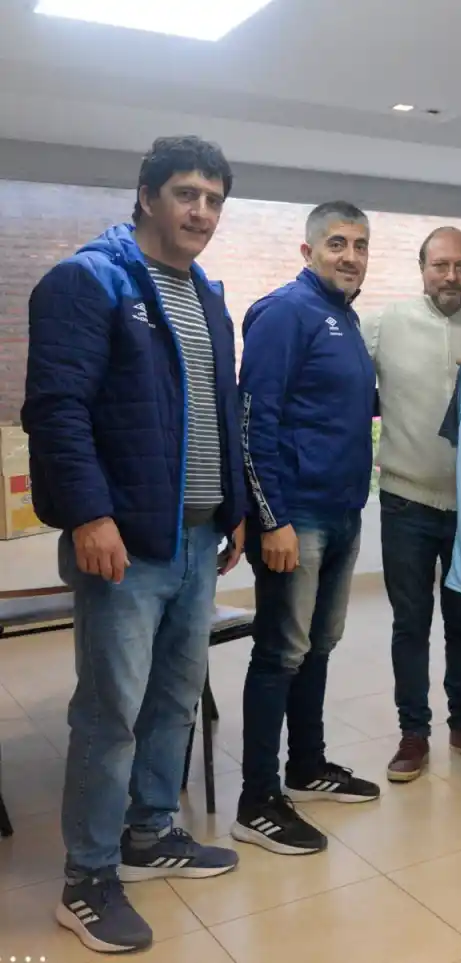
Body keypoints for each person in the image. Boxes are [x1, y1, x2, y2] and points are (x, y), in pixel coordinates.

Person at [22, 136, 247, 953]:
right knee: (110, 711)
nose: (202, 213)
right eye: (187, 194)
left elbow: (222, 410)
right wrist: (89, 515)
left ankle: (151, 830)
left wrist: (236, 508)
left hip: (196, 533)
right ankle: (86, 877)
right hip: (124, 540)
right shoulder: (89, 281)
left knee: (173, 700)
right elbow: (55, 409)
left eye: (215, 200)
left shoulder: (207, 295)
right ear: (146, 194)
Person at [233, 202, 381, 855]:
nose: (351, 255)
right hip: (298, 516)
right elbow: (253, 422)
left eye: (360, 245)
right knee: (280, 652)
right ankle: (257, 799)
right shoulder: (285, 313)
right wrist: (273, 518)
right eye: (338, 243)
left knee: (319, 645)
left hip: (343, 509)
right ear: (308, 250)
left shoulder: (342, 319)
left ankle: (307, 764)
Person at [360, 227, 461, 783]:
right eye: (440, 265)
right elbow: (347, 391)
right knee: (410, 622)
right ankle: (413, 733)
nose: (451, 276)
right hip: (405, 499)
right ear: (422, 267)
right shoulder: (383, 325)